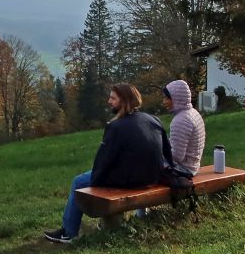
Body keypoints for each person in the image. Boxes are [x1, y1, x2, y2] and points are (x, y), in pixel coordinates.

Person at [44, 83, 172, 244]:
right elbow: (167, 152)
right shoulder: (153, 120)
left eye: (113, 98)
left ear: (124, 100)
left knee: (78, 181)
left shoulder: (116, 127)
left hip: (130, 182)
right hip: (153, 177)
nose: (109, 101)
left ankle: (68, 233)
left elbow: (103, 161)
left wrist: (95, 183)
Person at [163, 79, 205, 173]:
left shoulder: (181, 120)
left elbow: (176, 157)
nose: (164, 102)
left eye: (167, 98)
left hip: (183, 170)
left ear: (176, 98)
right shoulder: (193, 113)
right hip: (193, 166)